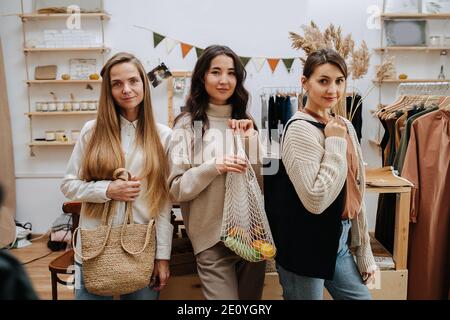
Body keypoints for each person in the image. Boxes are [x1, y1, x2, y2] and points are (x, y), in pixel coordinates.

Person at [60, 52, 173, 300]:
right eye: (117, 83)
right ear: (108, 90)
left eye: (133, 81)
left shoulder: (163, 136)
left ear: (144, 82)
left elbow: (163, 203)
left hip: (140, 246)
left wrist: (162, 257)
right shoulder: (92, 131)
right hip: (93, 246)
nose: (126, 89)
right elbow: (68, 185)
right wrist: (107, 190)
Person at [273, 48, 377, 300]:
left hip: (338, 238)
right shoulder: (299, 130)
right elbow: (315, 200)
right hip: (305, 243)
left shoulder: (344, 126)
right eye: (323, 81)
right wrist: (335, 144)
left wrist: (365, 255)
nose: (333, 90)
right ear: (304, 83)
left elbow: (355, 191)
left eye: (339, 81)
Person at [168, 45, 266, 300]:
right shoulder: (187, 125)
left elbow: (259, 184)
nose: (224, 80)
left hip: (249, 235)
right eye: (216, 72)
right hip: (210, 239)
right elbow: (176, 188)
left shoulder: (245, 121)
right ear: (202, 77)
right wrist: (215, 166)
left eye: (231, 73)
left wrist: (251, 141)